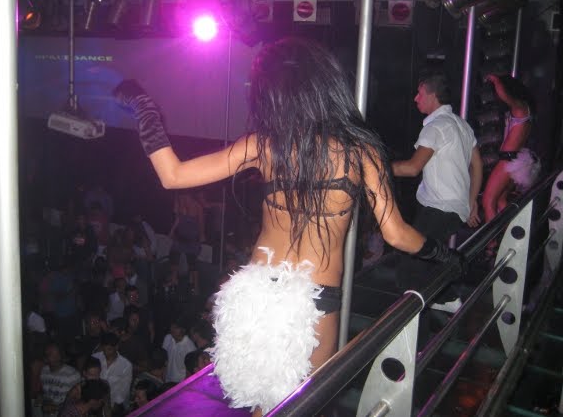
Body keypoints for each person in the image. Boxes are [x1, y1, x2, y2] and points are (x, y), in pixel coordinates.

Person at [113, 37, 464, 415]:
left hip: (257, 292)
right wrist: (447, 257)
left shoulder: (267, 144)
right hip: (315, 297)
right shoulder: (361, 150)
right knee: (305, 406)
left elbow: (173, 175)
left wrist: (145, 109)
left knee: (264, 407)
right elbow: (397, 234)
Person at [392, 72, 483, 312]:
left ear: (433, 96)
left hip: (440, 208)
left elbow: (412, 168)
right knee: (426, 257)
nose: (416, 98)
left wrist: (377, 169)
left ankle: (442, 301)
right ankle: (447, 299)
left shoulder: (436, 127)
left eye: (420, 93)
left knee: (409, 267)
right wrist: (471, 201)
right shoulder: (461, 124)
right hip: (452, 208)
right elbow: (477, 165)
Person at [482, 74, 541, 228]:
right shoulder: (523, 109)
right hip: (514, 159)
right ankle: (509, 234)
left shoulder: (520, 108)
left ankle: (492, 241)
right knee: (501, 201)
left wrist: (495, 80)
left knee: (488, 201)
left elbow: (505, 96)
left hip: (508, 161)